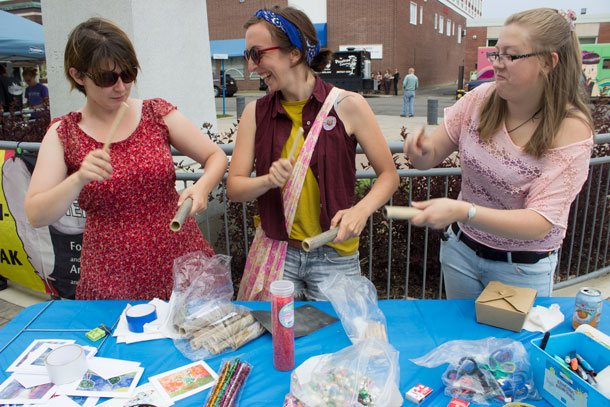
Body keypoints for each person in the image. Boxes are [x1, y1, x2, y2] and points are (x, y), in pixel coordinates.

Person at [24, 18, 228, 300]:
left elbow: (215, 155)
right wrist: (78, 177)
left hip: (180, 260)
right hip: (113, 276)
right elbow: (36, 214)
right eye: (107, 78)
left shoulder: (156, 113)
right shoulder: (65, 133)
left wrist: (201, 187)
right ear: (78, 75)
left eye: (128, 74)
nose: (121, 87)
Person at [403, 8, 593, 299]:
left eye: (511, 56)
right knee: (463, 343)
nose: (498, 64)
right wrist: (419, 151)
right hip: (461, 253)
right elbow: (427, 160)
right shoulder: (480, 99)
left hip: (520, 271)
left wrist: (462, 211)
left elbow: (539, 223)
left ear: (548, 62)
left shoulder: (571, 129)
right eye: (496, 53)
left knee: (512, 346)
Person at [227, 6, 398, 300]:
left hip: (335, 256)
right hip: (278, 254)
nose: (251, 67)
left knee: (338, 344)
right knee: (276, 341)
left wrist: (361, 210)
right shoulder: (254, 113)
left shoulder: (348, 105)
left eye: (257, 54)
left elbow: (389, 175)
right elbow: (235, 188)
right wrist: (268, 180)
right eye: (247, 56)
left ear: (294, 53)